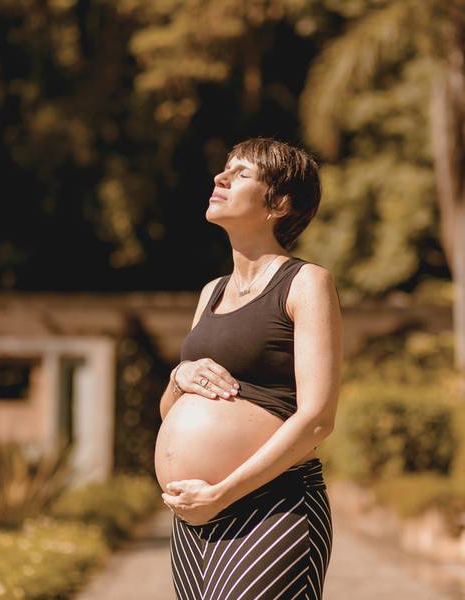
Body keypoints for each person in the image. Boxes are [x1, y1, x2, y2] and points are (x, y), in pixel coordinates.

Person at [156, 137, 342, 599]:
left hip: (273, 506)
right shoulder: (211, 293)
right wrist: (179, 377)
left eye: (241, 174)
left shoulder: (306, 283)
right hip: (196, 516)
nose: (220, 178)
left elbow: (318, 416)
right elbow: (167, 411)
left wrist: (223, 493)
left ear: (278, 203)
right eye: (224, 169)